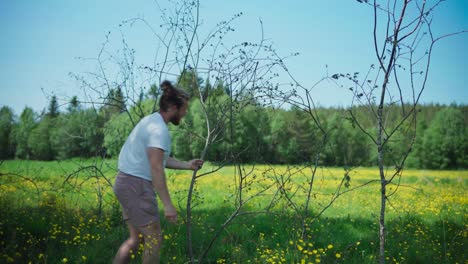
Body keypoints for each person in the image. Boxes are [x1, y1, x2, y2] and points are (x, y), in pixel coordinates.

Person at [113, 80, 204, 264]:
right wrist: (168, 205)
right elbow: (156, 168)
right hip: (136, 186)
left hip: (125, 183)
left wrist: (187, 165)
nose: (185, 113)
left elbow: (159, 159)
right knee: (154, 239)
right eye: (184, 108)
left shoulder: (151, 121)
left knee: (135, 239)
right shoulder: (158, 130)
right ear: (172, 107)